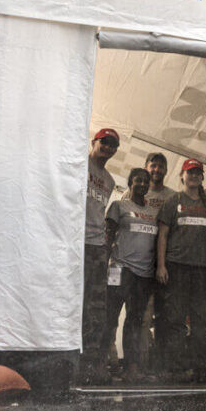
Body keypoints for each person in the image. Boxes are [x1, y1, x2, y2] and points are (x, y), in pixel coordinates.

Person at [156, 159, 206, 382]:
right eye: (189, 172)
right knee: (175, 319)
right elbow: (162, 235)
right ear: (181, 176)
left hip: (204, 269)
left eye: (197, 173)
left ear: (202, 178)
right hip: (177, 268)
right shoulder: (173, 201)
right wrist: (161, 265)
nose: (193, 176)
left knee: (202, 321)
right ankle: (176, 368)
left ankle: (201, 368)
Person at [103, 168, 158, 382]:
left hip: (143, 275)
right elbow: (107, 237)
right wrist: (103, 266)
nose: (143, 184)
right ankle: (100, 364)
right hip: (120, 269)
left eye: (146, 181)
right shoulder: (119, 206)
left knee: (135, 321)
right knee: (110, 318)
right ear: (130, 183)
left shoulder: (153, 212)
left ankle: (132, 367)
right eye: (138, 180)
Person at [124, 153, 176, 375]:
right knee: (141, 317)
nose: (156, 170)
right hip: (140, 264)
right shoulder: (131, 193)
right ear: (145, 168)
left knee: (166, 317)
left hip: (166, 263)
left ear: (166, 170)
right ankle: (139, 365)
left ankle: (162, 366)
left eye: (161, 166)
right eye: (153, 166)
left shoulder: (173, 196)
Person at [80, 127, 118, 384]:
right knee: (72, 302)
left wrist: (104, 246)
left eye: (112, 145)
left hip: (96, 246)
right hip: (73, 244)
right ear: (93, 142)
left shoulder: (110, 180)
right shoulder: (79, 163)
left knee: (95, 307)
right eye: (104, 142)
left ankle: (90, 365)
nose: (107, 147)